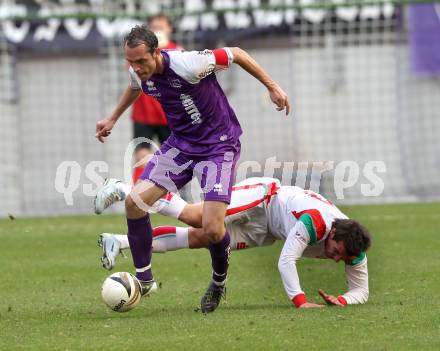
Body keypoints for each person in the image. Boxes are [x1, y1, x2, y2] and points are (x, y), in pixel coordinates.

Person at [95, 25, 290, 313]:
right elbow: (135, 86)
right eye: (130, 62)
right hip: (181, 145)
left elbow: (236, 53)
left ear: (157, 53)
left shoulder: (189, 63)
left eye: (141, 61)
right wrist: (112, 118)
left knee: (211, 229)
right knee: (135, 204)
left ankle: (219, 281)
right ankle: (145, 280)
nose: (135, 67)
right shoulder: (138, 73)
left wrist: (272, 86)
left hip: (218, 145)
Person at [96, 177, 371, 309]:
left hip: (268, 231)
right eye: (337, 252)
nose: (336, 259)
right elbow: (287, 260)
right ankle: (126, 190)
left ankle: (121, 242)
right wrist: (301, 302)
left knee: (202, 238)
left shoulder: (352, 247)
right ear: (333, 235)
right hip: (264, 199)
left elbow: (362, 290)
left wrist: (343, 300)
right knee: (196, 217)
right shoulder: (315, 223)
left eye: (342, 259)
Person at [131, 14, 182, 183]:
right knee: (142, 156)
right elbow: (134, 76)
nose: (158, 30)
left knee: (172, 160)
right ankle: (138, 198)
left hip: (168, 115)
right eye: (154, 27)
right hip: (143, 115)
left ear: (170, 29)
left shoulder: (179, 52)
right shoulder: (140, 53)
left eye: (161, 27)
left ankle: (177, 198)